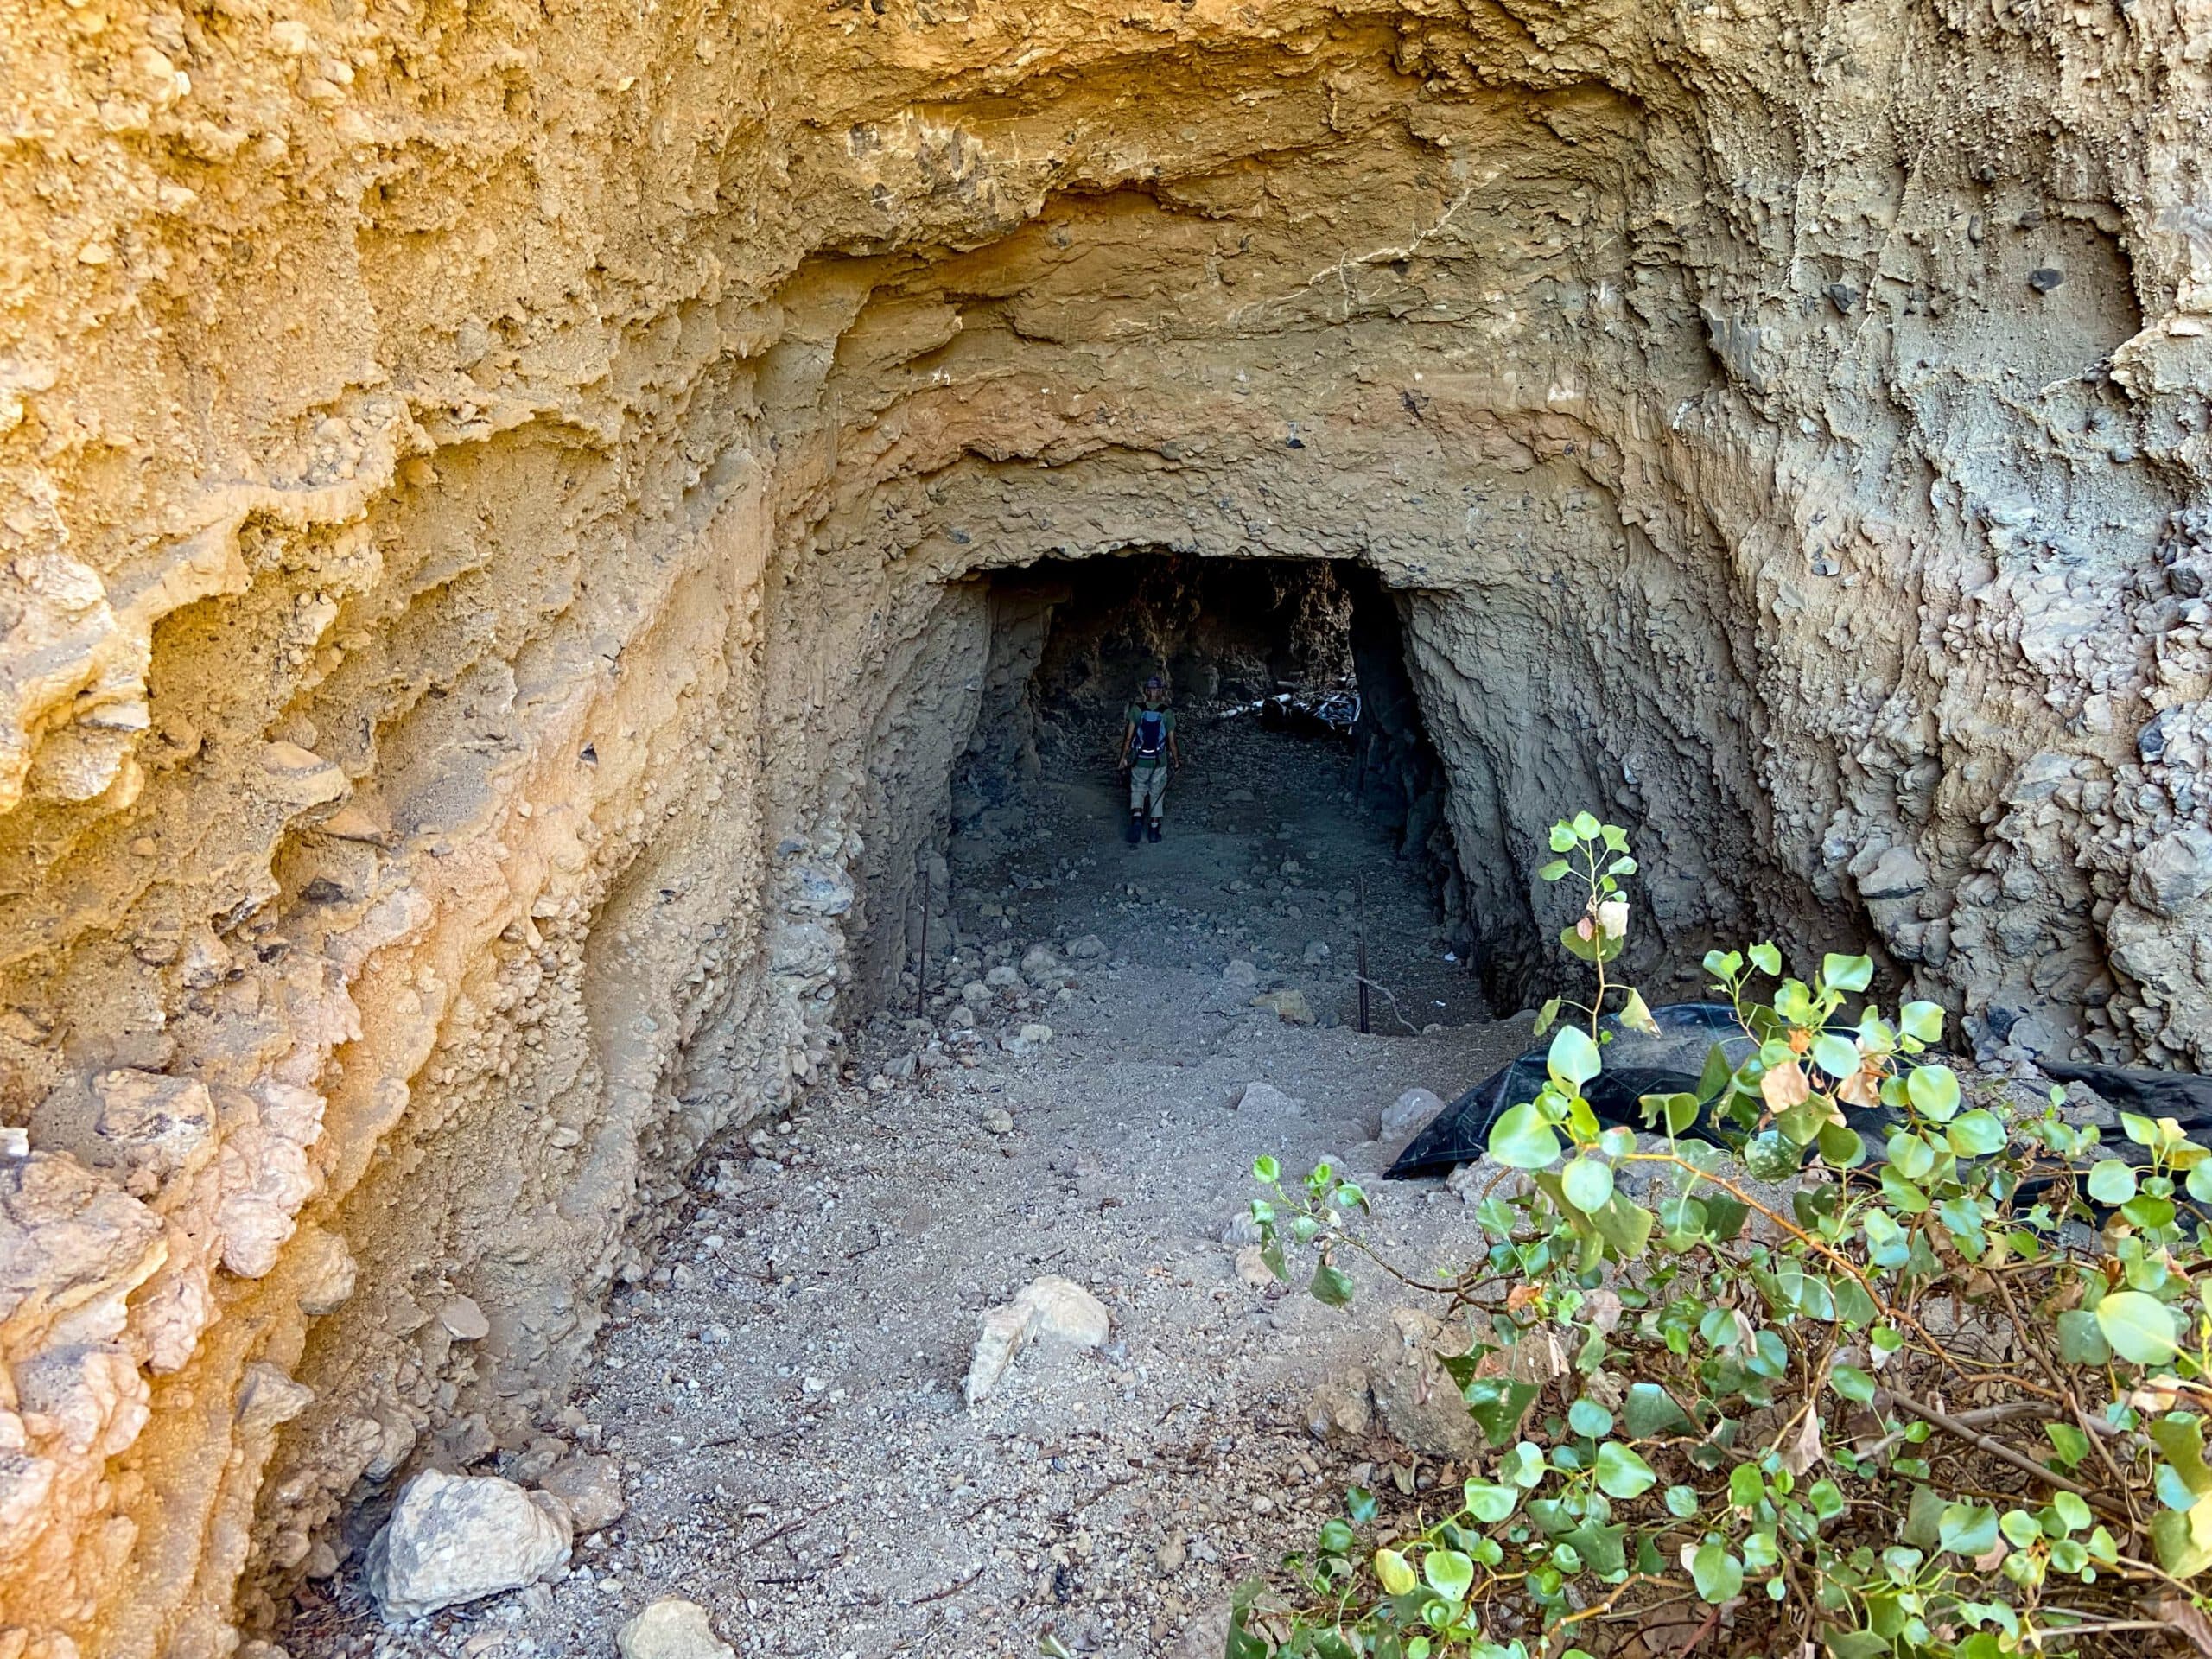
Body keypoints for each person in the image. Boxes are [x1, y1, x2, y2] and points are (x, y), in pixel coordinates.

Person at [1118, 675, 1181, 843]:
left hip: (1140, 759)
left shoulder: (1137, 710)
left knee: (1138, 789)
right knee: (1157, 793)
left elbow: (1128, 738)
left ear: (1146, 692)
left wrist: (1123, 757)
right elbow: (1172, 742)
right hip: (1159, 761)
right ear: (1160, 692)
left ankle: (1137, 820)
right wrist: (1176, 761)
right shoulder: (1167, 713)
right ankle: (1154, 831)